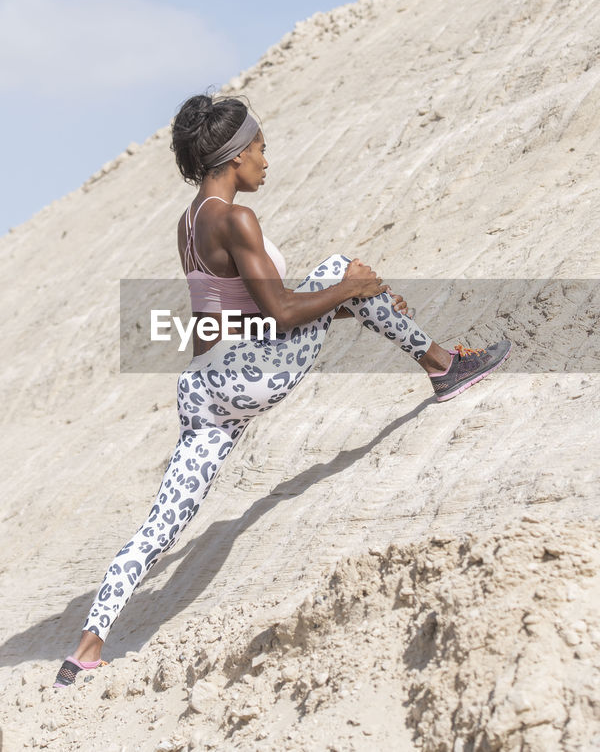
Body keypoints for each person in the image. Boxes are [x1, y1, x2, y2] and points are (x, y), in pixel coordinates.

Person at [53, 94, 510, 687]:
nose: (266, 161)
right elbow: (285, 314)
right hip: (249, 377)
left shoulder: (189, 222)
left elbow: (244, 316)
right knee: (341, 267)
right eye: (261, 149)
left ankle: (84, 651)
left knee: (161, 523)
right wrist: (350, 287)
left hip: (204, 386)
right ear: (237, 154)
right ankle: (443, 365)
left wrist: (354, 301)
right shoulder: (237, 219)